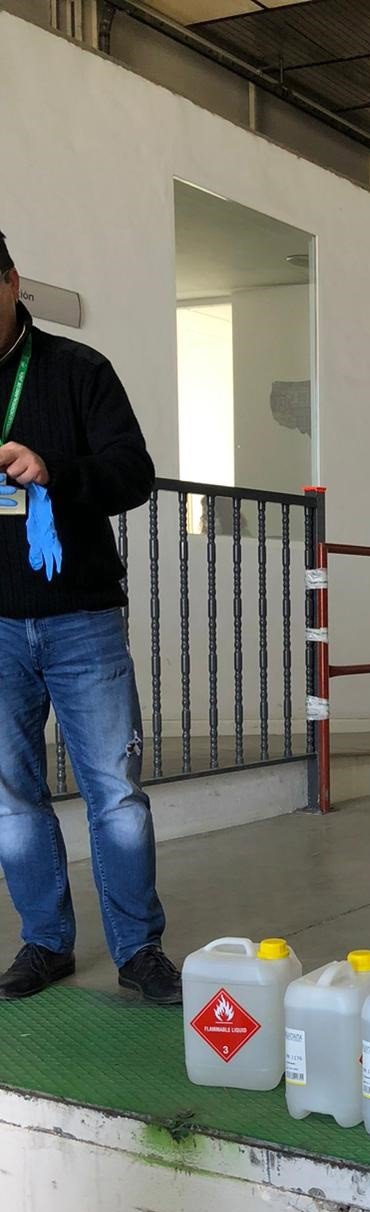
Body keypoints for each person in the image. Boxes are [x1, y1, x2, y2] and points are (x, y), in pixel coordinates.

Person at [0, 230, 181, 1004]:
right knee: (12, 797)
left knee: (116, 793)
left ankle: (139, 950)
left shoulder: (79, 370)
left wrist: (54, 470)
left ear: (11, 282)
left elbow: (132, 474)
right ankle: (46, 942)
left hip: (81, 619)